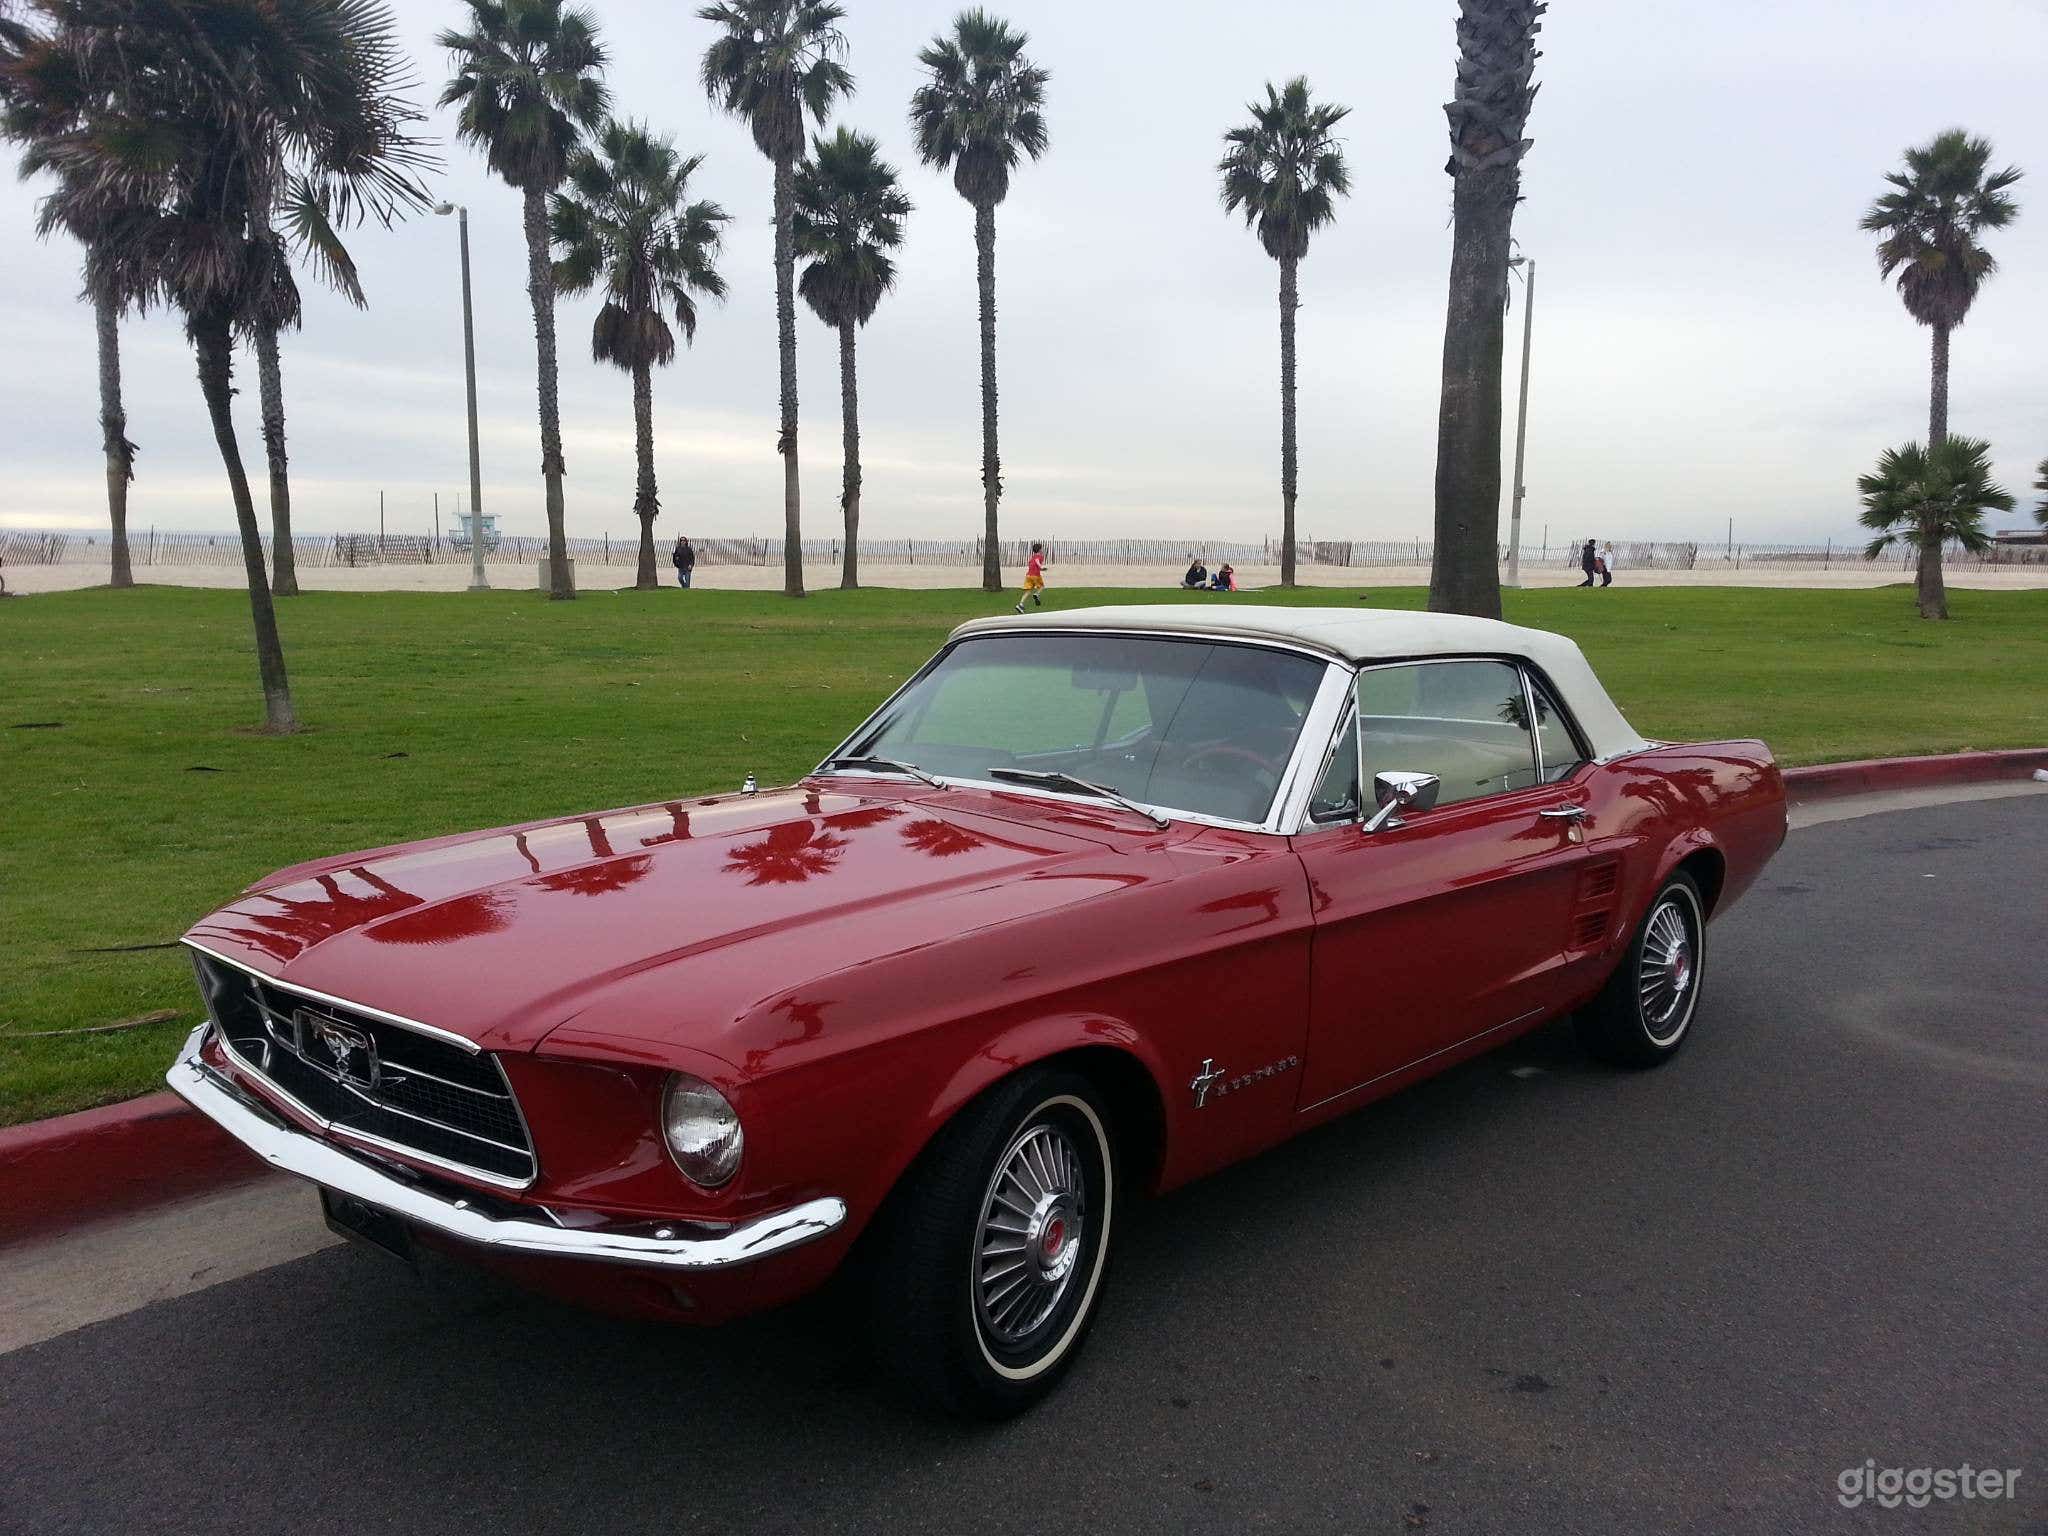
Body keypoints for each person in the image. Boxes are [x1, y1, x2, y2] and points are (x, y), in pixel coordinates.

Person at [1015, 542, 1047, 612]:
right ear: (1039, 550)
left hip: (1028, 576)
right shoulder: (1040, 556)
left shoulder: (1032, 557)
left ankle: (1020, 605)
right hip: (1035, 575)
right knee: (1041, 587)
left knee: (1028, 591)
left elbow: (1032, 563)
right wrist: (1041, 567)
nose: (1042, 550)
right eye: (1041, 548)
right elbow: (1037, 561)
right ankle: (1036, 594)